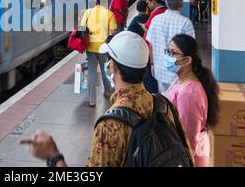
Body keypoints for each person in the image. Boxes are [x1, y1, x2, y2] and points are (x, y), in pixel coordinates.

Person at [19, 32, 193, 167]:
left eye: (109, 61)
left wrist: (53, 156)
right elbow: (188, 154)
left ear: (113, 67)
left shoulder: (111, 124)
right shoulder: (165, 105)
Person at [164, 34, 220, 167]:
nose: (167, 56)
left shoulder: (189, 94)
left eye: (172, 53)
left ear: (187, 60)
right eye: (167, 51)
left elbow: (187, 141)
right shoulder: (180, 80)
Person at [146, 0, 195, 93]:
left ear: (166, 3)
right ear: (181, 3)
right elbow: (191, 50)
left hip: (159, 68)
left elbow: (151, 45)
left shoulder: (155, 20)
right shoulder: (186, 23)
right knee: (178, 100)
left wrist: (152, 64)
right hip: (178, 72)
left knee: (164, 99)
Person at [80, 0, 118, 106]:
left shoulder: (87, 12)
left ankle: (92, 100)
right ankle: (108, 92)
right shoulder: (109, 14)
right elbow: (113, 31)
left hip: (90, 47)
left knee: (91, 72)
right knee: (105, 71)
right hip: (104, 47)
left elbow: (82, 29)